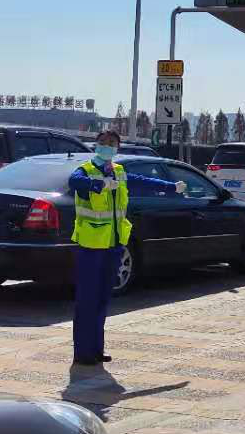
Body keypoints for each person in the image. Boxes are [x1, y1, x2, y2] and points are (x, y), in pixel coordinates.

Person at [68, 129, 185, 366]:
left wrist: (171, 187)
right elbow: (74, 182)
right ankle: (82, 352)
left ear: (117, 148)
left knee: (102, 299)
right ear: (96, 145)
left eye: (112, 143)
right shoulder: (86, 170)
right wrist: (99, 184)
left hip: (113, 244)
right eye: (103, 142)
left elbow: (142, 181)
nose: (107, 146)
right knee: (87, 299)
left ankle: (96, 349)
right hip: (91, 245)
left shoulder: (119, 171)